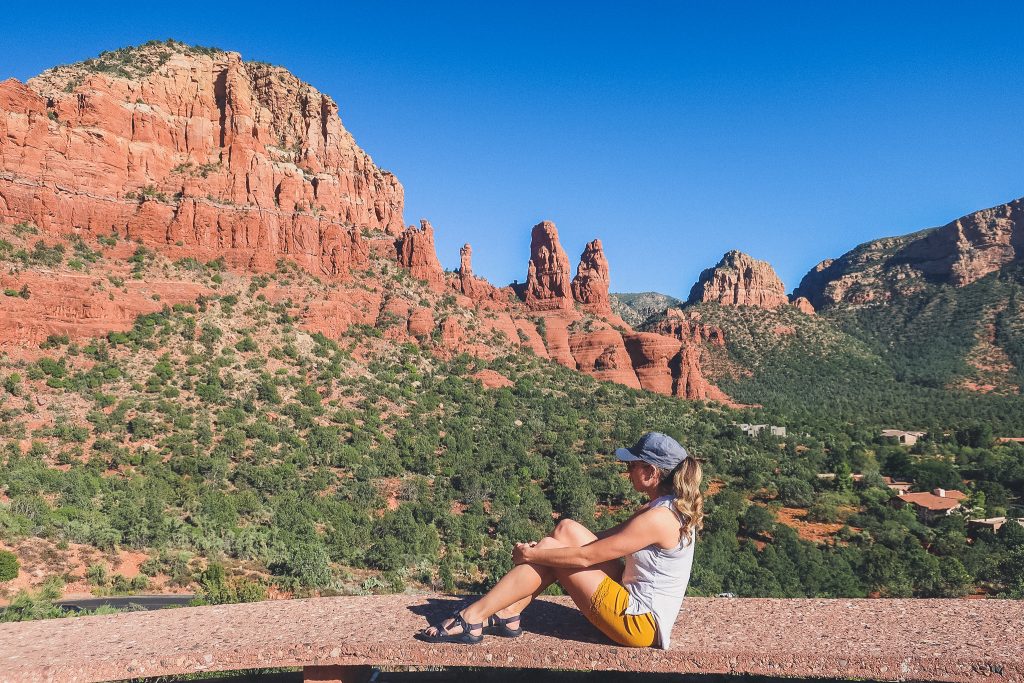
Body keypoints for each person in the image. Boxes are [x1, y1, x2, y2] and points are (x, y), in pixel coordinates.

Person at [417, 431, 702, 649]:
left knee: (556, 550)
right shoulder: (661, 507)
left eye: (633, 465)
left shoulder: (658, 519)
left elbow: (586, 557)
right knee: (565, 529)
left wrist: (533, 555)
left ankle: (473, 617)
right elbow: (606, 539)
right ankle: (509, 612)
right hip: (632, 598)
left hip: (639, 623)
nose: (627, 471)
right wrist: (546, 548)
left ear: (651, 473)